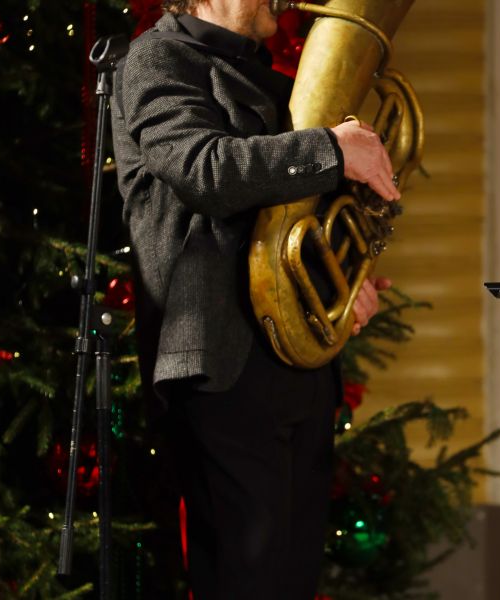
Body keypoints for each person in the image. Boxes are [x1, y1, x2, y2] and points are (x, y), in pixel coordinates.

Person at [110, 1, 396, 597]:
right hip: (223, 363)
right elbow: (203, 171)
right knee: (247, 579)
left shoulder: (272, 80)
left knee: (292, 580)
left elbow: (287, 226)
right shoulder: (156, 58)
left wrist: (344, 282)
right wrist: (331, 150)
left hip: (297, 365)